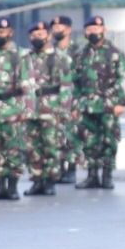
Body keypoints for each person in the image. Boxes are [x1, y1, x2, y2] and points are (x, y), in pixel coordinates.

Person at [72, 15, 125, 190]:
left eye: (96, 29)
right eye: (89, 29)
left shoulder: (115, 53)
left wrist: (120, 102)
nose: (93, 32)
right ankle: (92, 175)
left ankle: (107, 175)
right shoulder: (80, 54)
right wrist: (75, 104)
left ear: (104, 30)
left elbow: (123, 79)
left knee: (109, 141)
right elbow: (75, 82)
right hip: (87, 104)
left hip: (108, 104)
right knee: (89, 141)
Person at [21, 20, 72, 196]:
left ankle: (50, 181)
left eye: (41, 34)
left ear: (48, 36)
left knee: (51, 146)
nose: (37, 38)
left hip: (51, 108)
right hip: (30, 109)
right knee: (32, 148)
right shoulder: (25, 58)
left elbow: (66, 86)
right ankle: (37, 180)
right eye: (34, 35)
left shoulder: (60, 58)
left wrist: (63, 110)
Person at [0, 18, 29, 202]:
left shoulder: (21, 55)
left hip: (13, 107)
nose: (0, 35)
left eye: (3, 32)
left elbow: (28, 84)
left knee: (14, 149)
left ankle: (13, 187)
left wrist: (26, 109)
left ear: (11, 33)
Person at [50, 15, 83, 183]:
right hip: (52, 101)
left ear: (68, 30)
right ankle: (59, 168)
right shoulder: (49, 52)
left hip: (72, 100)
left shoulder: (78, 51)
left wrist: (78, 103)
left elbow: (83, 79)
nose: (56, 30)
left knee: (72, 135)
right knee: (56, 136)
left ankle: (71, 169)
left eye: (59, 27)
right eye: (54, 27)